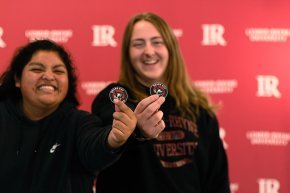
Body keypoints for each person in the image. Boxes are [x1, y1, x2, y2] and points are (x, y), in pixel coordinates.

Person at [91, 12, 231, 193]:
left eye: (157, 42)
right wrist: (137, 130)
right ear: (128, 53)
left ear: (170, 49)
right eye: (138, 44)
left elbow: (217, 179)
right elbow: (103, 146)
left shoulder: (199, 109)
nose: (149, 51)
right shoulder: (114, 99)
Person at [0, 39, 138, 193]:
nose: (48, 76)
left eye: (58, 71)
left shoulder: (80, 123)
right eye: (37, 69)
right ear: (17, 79)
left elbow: (95, 147)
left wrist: (113, 140)